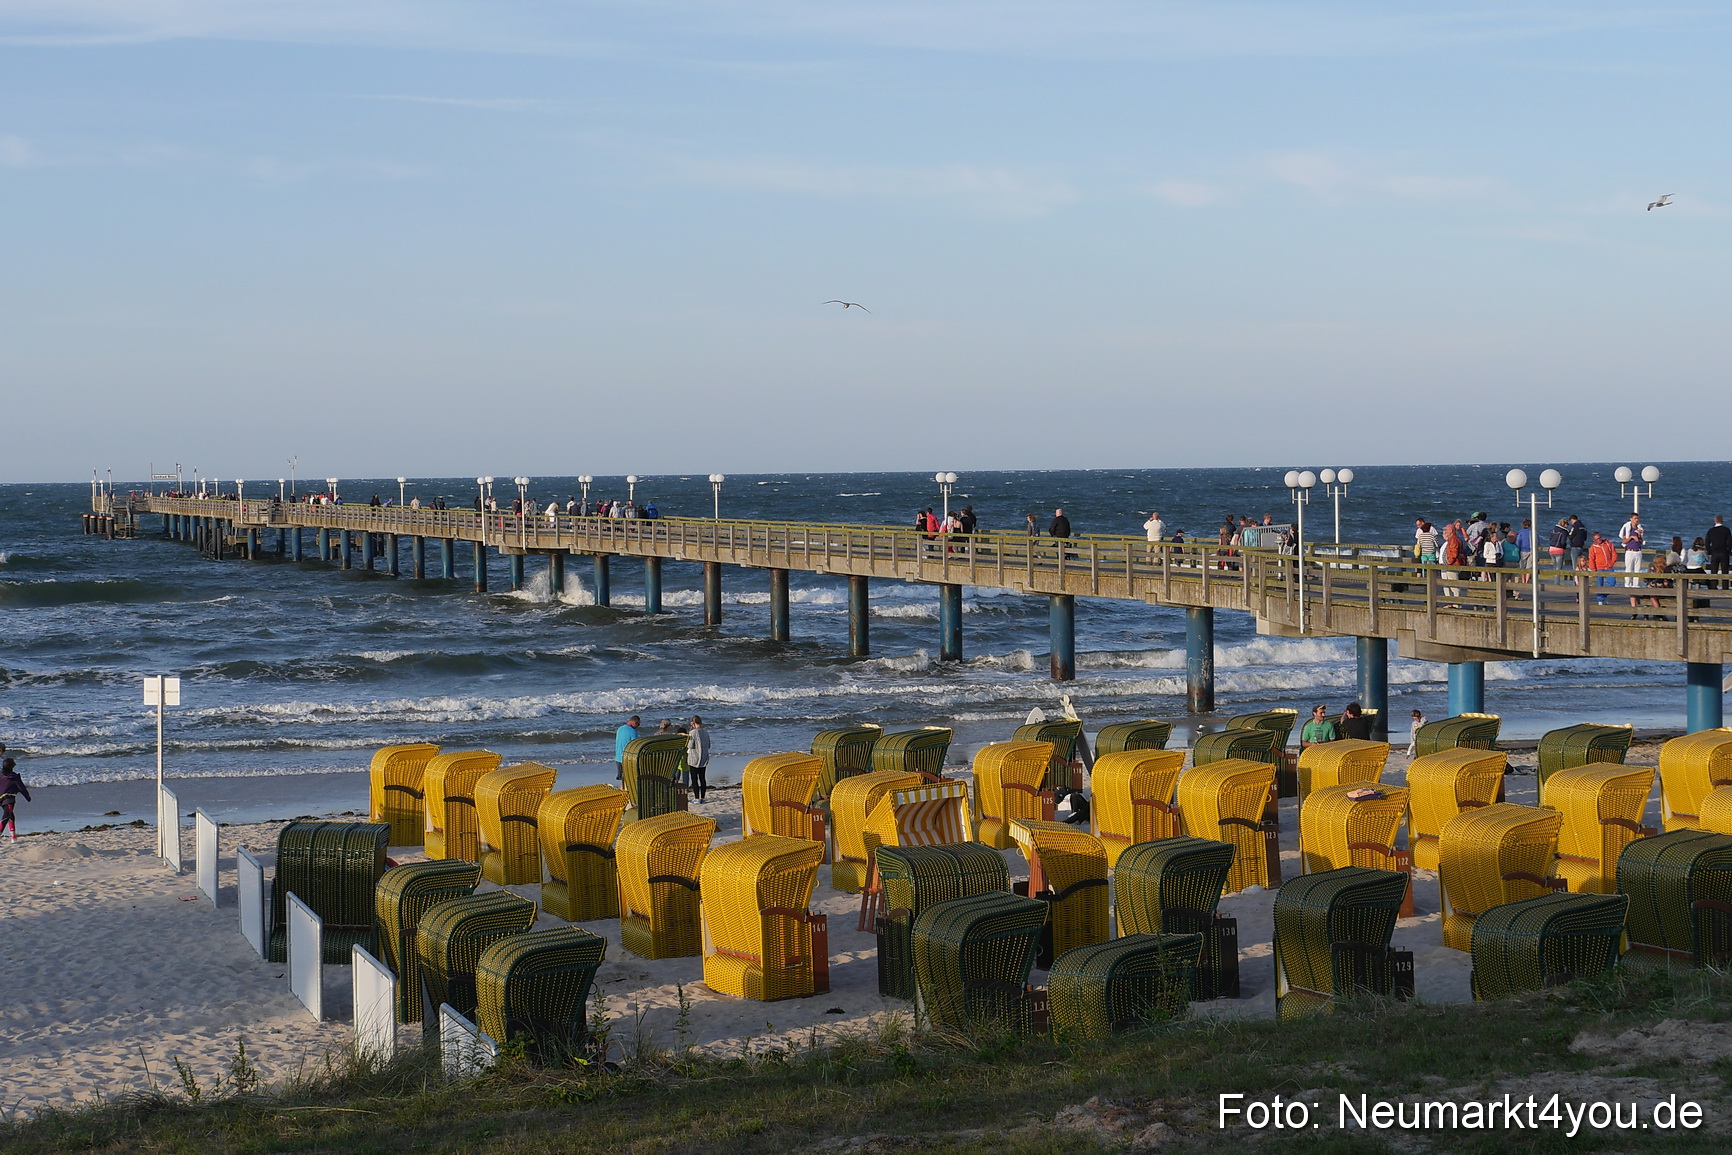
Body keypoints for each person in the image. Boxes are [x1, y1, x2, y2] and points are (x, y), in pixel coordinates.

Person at [0, 757, 28, 841]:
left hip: (1, 799)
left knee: (11, 816)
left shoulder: (1, 775)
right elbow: (21, 788)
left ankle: (13, 837)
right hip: (9, 799)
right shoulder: (14, 777)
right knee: (6, 816)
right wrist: (27, 797)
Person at [686, 715, 711, 802]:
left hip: (694, 759)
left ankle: (697, 798)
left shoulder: (692, 733)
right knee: (702, 778)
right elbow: (709, 745)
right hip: (704, 758)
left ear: (693, 723)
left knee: (694, 779)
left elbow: (690, 746)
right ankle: (703, 797)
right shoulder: (705, 732)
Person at [1588, 532, 1618, 603]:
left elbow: (1614, 553)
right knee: (1599, 585)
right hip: (1599, 568)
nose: (1599, 540)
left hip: (1608, 567)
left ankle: (1603, 596)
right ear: (1594, 540)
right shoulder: (1592, 548)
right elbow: (1591, 559)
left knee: (1612, 583)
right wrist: (1593, 570)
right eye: (1597, 539)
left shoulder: (1608, 543)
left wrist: (1612, 562)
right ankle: (1600, 600)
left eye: (1600, 537)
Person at [1618, 512, 1645, 590]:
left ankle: (1635, 585)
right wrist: (1631, 537)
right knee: (1629, 569)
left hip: (1638, 551)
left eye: (1637, 519)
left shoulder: (1639, 528)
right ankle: (1627, 585)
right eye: (1635, 518)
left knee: (1637, 569)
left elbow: (1641, 541)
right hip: (1630, 551)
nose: (1636, 520)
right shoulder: (1627, 528)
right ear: (1631, 519)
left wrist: (1639, 535)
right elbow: (1624, 541)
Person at [1707, 515, 1732, 589]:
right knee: (1725, 571)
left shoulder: (1711, 531)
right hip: (1724, 552)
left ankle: (1714, 587)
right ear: (1722, 521)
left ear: (1715, 521)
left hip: (1714, 552)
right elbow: (1730, 542)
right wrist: (1729, 551)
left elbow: (1707, 542)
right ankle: (1725, 587)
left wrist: (1709, 551)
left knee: (1714, 571)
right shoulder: (1726, 530)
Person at [614, 715, 640, 782]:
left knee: (622, 778)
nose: (638, 727)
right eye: (638, 724)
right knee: (628, 779)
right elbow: (635, 746)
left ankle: (621, 789)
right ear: (635, 723)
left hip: (618, 758)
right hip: (627, 759)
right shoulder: (633, 732)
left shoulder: (620, 728)